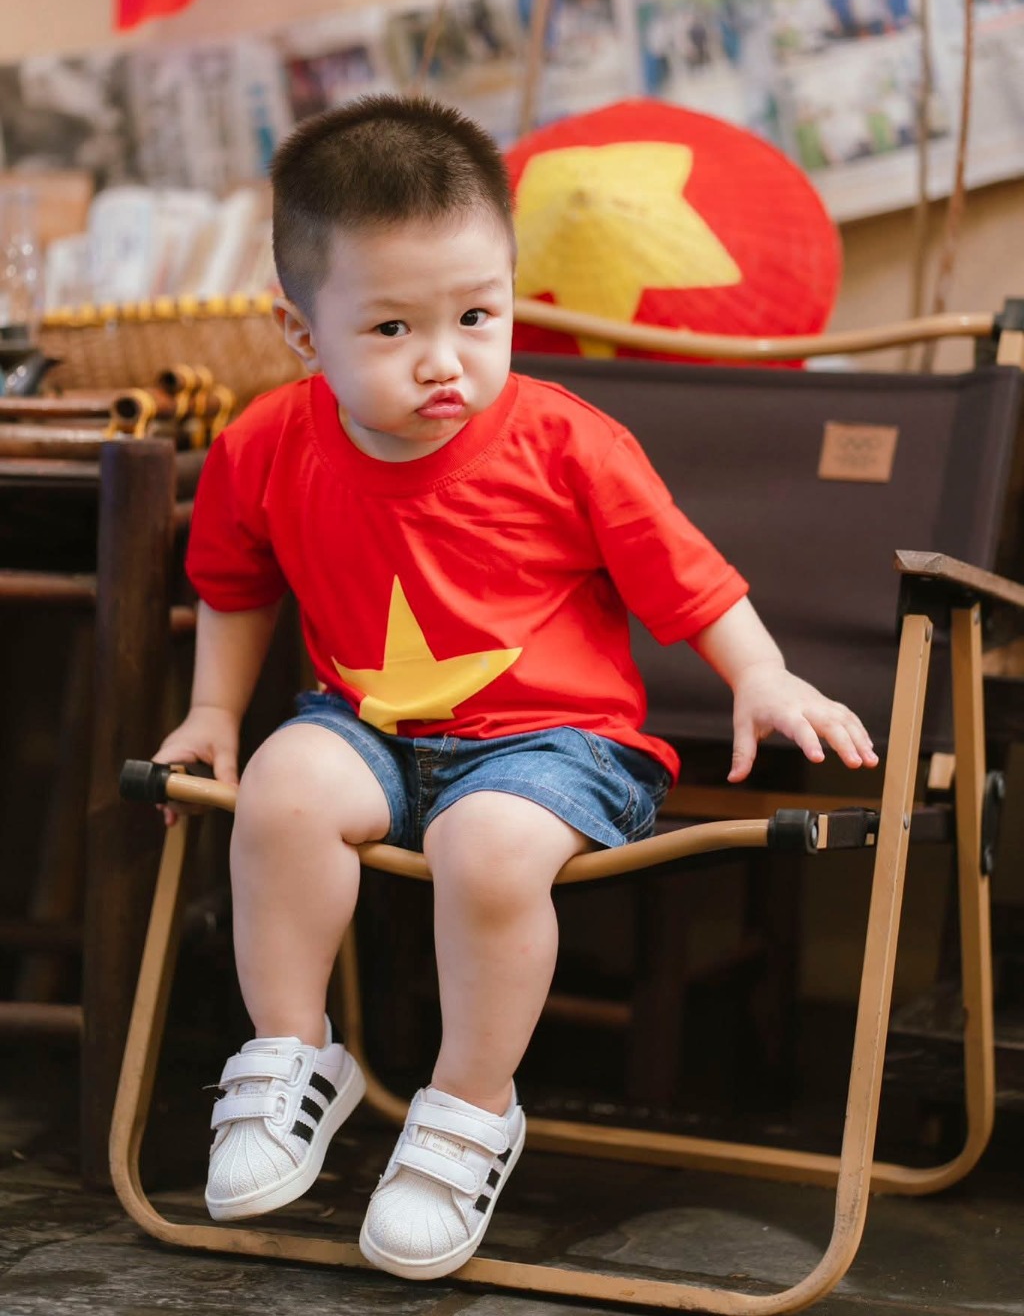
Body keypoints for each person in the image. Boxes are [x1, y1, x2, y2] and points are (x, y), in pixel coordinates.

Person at [154, 93, 878, 1282]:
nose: (444, 358)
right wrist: (214, 712)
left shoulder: (565, 440)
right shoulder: (265, 442)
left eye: (477, 315)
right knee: (283, 787)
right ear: (300, 331)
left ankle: (468, 1106)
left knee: (486, 845)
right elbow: (235, 580)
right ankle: (291, 1053)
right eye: (391, 326)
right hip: (369, 724)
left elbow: (684, 574)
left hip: (558, 743)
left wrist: (758, 671)